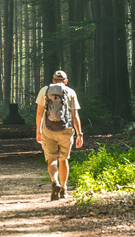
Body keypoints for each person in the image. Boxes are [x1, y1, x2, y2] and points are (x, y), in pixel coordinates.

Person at [35, 70, 84, 201]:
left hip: (48, 129)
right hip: (66, 130)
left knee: (51, 159)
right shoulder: (70, 92)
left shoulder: (44, 90)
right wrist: (79, 134)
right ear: (65, 81)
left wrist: (38, 131)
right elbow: (75, 115)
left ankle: (54, 181)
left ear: (53, 80)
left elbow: (39, 113)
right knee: (63, 159)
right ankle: (63, 189)